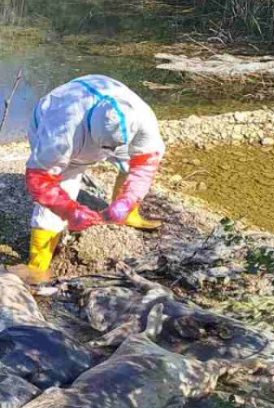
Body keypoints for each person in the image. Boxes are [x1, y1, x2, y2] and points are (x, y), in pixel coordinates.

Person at [16, 74, 165, 281]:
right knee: (61, 188)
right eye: (105, 147)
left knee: (130, 163)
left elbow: (145, 167)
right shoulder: (61, 129)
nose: (107, 152)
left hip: (108, 130)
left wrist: (127, 201)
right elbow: (39, 180)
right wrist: (69, 211)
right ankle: (37, 266)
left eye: (113, 147)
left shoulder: (142, 117)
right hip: (56, 130)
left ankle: (129, 214)